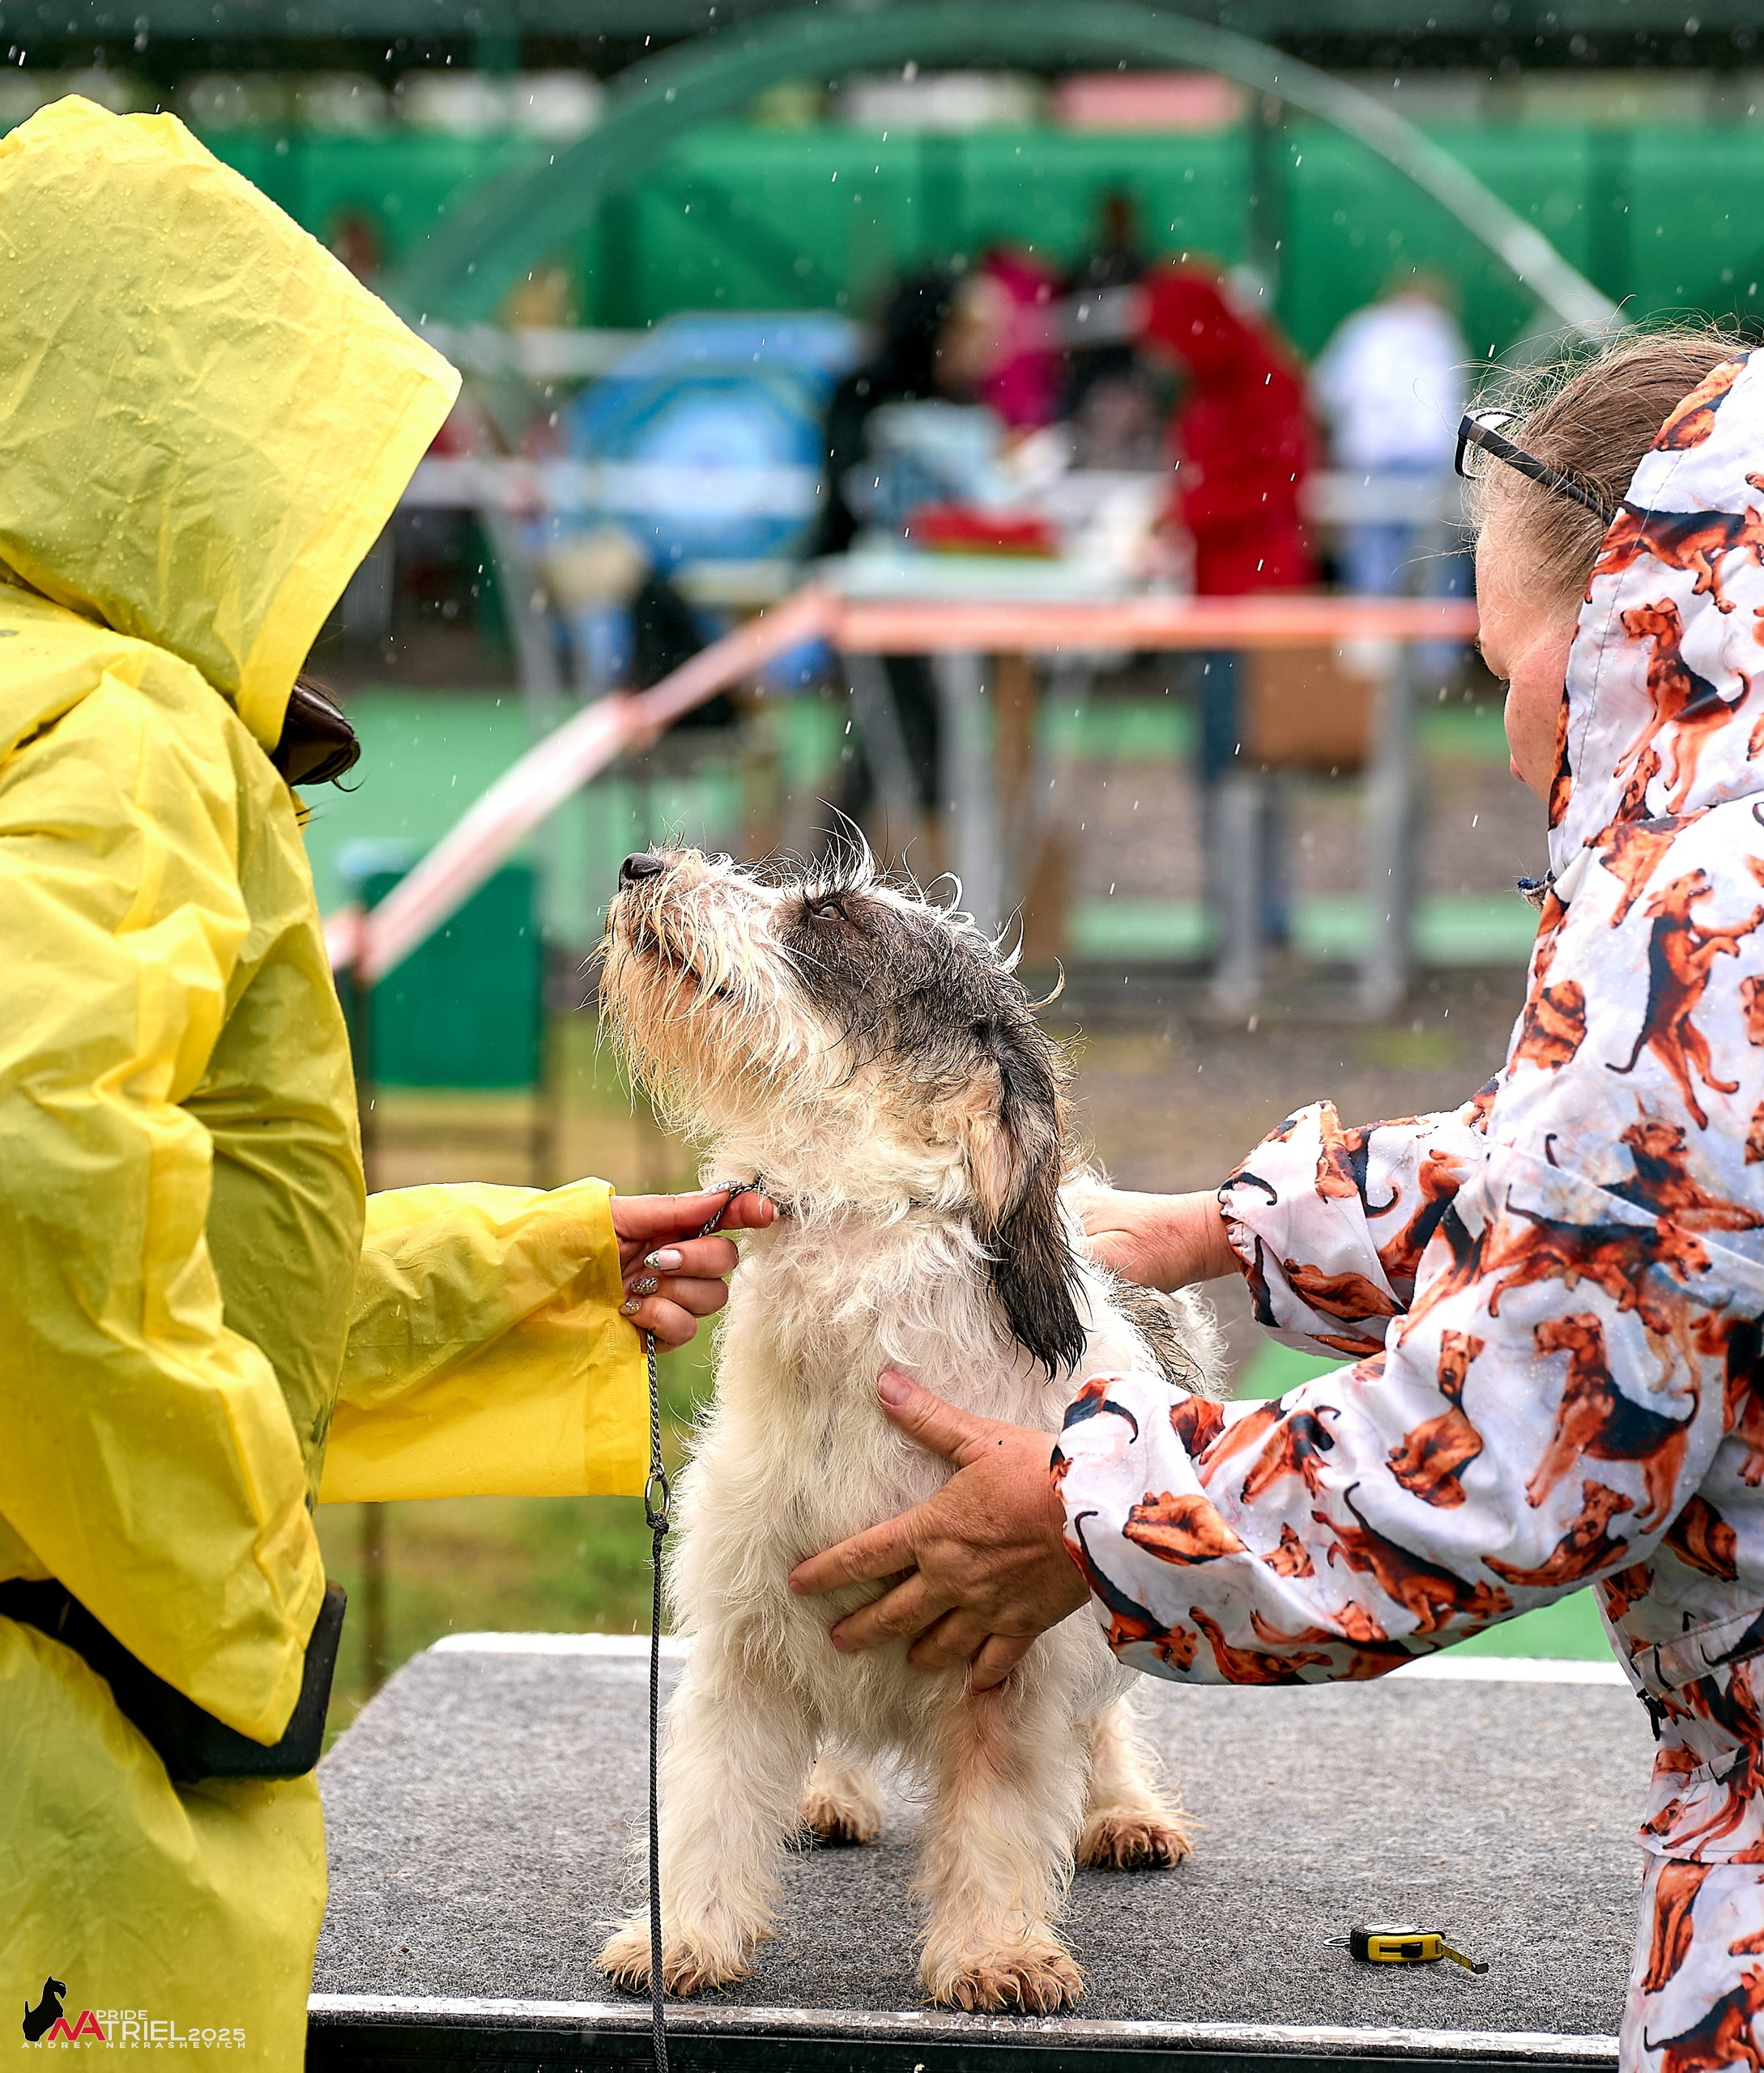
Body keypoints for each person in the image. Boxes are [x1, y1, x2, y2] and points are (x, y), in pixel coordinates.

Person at [792, 327, 1764, 2069]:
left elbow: (1510, 1450)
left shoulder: (1705, 911)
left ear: (1636, 617)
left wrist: (1092, 1509)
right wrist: (1236, 1227)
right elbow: (1642, 1198)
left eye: (1510, 665)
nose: (1519, 724)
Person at [0, 98, 767, 2065]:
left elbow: (164, 1256)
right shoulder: (120, 725)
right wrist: (217, 1614)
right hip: (55, 1802)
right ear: (173, 450)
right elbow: (33, 1177)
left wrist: (530, 1272)